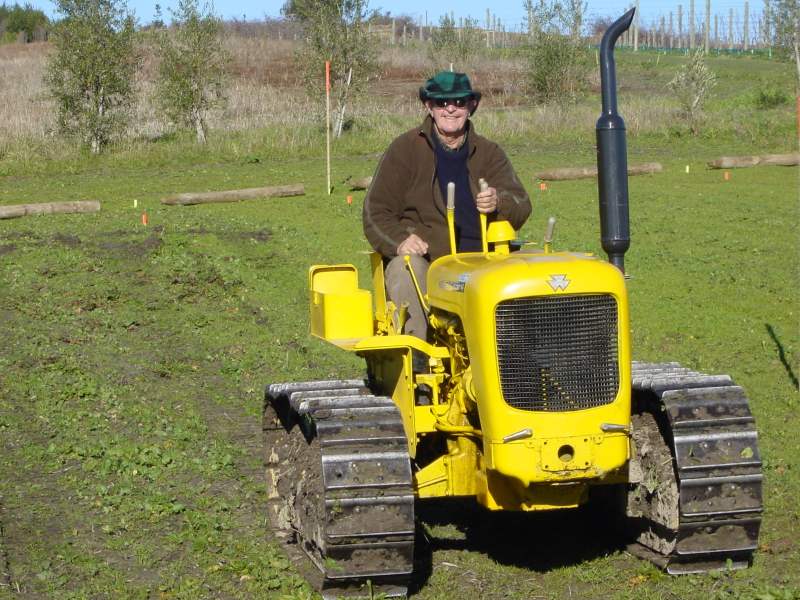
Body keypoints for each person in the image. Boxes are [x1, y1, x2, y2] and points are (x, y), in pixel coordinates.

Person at [363, 71, 532, 340]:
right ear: (428, 107)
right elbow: (375, 212)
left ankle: (525, 362)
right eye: (441, 103)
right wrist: (400, 242)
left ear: (471, 106)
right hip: (431, 261)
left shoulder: (489, 153)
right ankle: (418, 363)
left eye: (459, 102)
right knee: (405, 269)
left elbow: (522, 204)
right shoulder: (404, 150)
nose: (450, 109)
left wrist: (499, 201)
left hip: (485, 260)